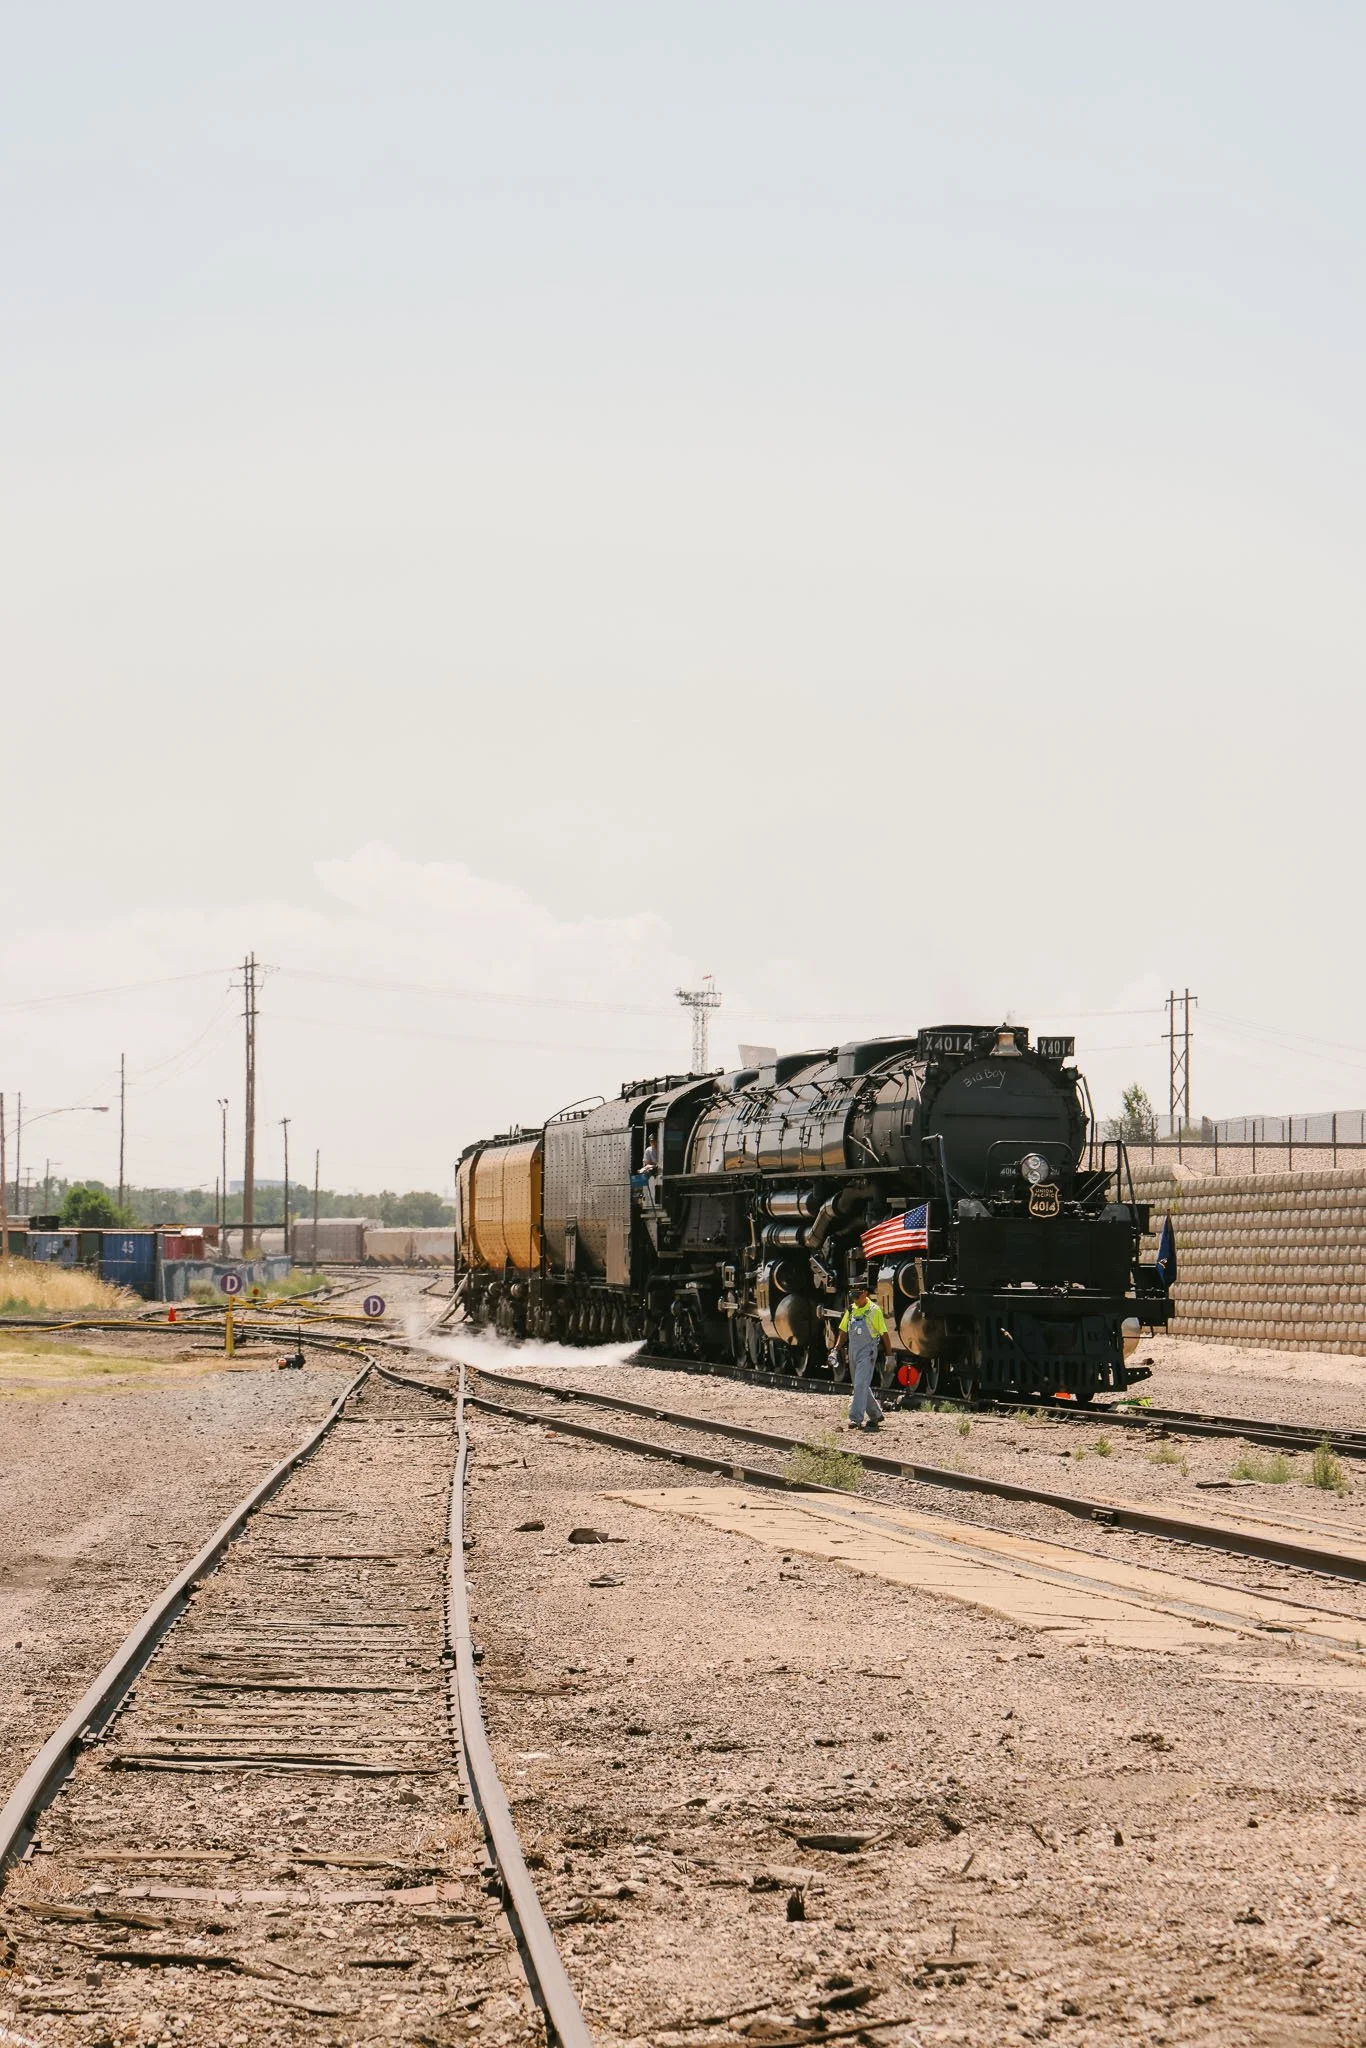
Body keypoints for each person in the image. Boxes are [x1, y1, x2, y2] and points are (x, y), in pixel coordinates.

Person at [835, 1282, 890, 1431]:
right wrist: (835, 1349)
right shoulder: (851, 1309)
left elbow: (884, 1333)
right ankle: (876, 1415)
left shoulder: (874, 1310)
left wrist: (889, 1355)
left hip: (868, 1352)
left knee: (860, 1384)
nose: (855, 1300)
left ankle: (855, 1419)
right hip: (853, 1351)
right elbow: (843, 1331)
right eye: (853, 1297)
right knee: (860, 1384)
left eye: (857, 1296)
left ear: (865, 1293)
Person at [630, 1139, 658, 1203]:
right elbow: (647, 1162)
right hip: (652, 1167)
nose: (653, 1142)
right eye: (651, 1141)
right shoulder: (649, 1150)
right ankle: (639, 1195)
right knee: (644, 1173)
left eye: (654, 1141)